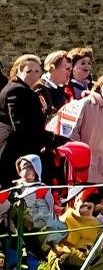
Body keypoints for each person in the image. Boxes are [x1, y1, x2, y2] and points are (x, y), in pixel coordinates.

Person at [0, 55, 51, 185]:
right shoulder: (16, 90)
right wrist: (52, 138)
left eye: (37, 71)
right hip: (17, 154)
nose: (33, 75)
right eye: (28, 71)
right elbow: (21, 127)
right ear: (19, 71)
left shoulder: (27, 90)